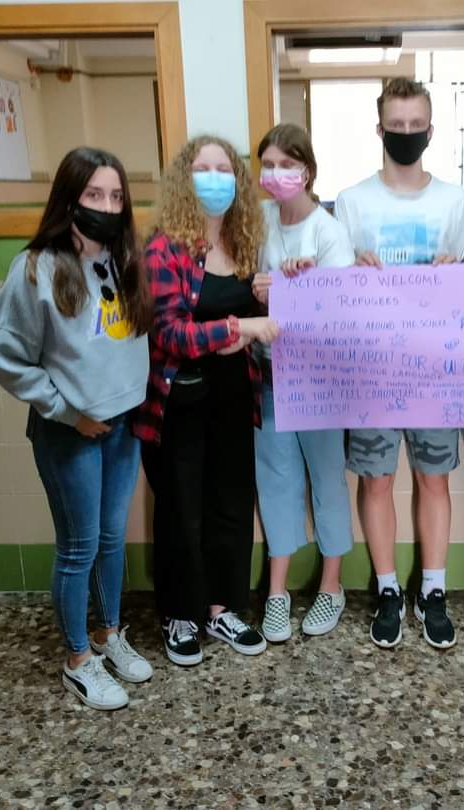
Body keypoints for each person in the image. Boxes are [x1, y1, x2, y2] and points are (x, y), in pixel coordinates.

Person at [0, 147, 154, 710]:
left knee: (111, 538)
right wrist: (68, 413)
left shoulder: (123, 259)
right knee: (79, 546)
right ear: (69, 199)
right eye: (93, 195)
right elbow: (4, 357)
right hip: (70, 432)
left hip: (122, 427)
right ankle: (78, 660)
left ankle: (108, 634)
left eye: (116, 196)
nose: (107, 206)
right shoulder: (36, 268)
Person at [334, 77, 464, 649]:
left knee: (433, 478)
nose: (407, 133)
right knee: (375, 480)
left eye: (417, 125)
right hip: (373, 367)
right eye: (397, 126)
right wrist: (353, 272)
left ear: (431, 131)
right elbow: (335, 291)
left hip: (434, 366)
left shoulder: (455, 202)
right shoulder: (351, 201)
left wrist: (450, 272)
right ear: (380, 129)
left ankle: (433, 590)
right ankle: (388, 588)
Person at [133, 135, 280, 667]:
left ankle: (222, 608)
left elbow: (258, 322)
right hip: (179, 403)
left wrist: (268, 301)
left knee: (231, 505)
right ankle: (180, 615)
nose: (214, 178)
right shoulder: (164, 248)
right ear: (183, 178)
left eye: (224, 169)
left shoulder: (245, 244)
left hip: (234, 396)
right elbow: (169, 333)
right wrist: (240, 327)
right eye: (202, 168)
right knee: (181, 510)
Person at [249, 123, 356, 642]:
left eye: (287, 165)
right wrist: (257, 288)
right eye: (268, 165)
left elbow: (342, 309)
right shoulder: (259, 222)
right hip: (269, 375)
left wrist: (301, 286)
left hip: (319, 381)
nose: (277, 174)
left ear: (308, 171)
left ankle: (331, 587)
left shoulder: (328, 231)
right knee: (276, 481)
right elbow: (244, 286)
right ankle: (277, 593)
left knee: (327, 480)